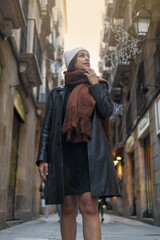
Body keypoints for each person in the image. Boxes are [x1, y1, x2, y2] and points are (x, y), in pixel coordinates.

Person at [36, 47, 120, 240]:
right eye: (82, 55)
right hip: (64, 156)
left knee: (90, 205)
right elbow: (47, 127)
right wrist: (42, 158)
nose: (87, 58)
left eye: (88, 56)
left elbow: (107, 111)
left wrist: (94, 85)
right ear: (72, 62)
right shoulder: (57, 93)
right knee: (67, 206)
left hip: (89, 157)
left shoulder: (99, 85)